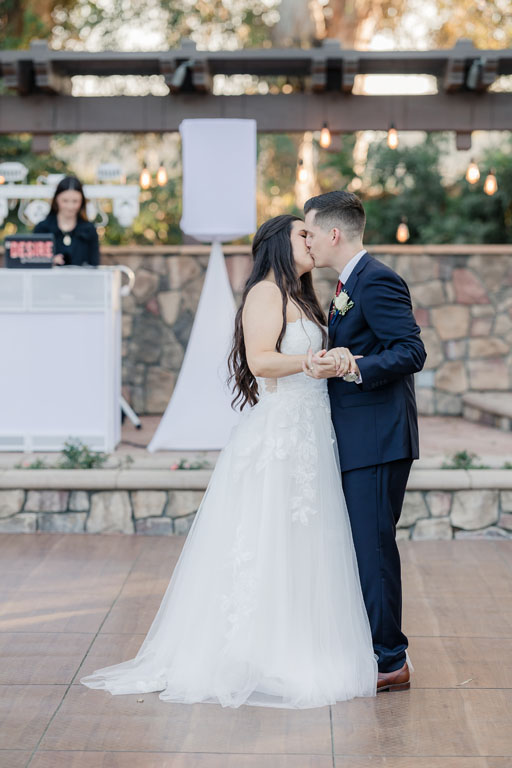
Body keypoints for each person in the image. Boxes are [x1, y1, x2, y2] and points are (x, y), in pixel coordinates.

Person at [81, 214, 378, 708]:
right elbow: (260, 360)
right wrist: (312, 362)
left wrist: (332, 359)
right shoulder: (265, 292)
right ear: (279, 244)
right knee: (267, 538)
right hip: (279, 435)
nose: (310, 241)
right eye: (301, 234)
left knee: (305, 540)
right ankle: (252, 652)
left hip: (309, 434)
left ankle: (299, 642)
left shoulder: (303, 297)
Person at [303, 190, 426, 693]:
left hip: (378, 439)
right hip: (362, 437)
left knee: (373, 550)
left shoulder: (376, 279)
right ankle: (376, 648)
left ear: (334, 233)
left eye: (310, 232)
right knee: (364, 547)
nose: (307, 242)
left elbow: (411, 351)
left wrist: (354, 367)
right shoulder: (348, 282)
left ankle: (389, 659)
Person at [34, 175, 99, 267]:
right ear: (56, 200)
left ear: (82, 202)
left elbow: (94, 265)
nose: (70, 206)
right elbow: (34, 263)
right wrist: (49, 262)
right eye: (65, 201)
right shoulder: (42, 229)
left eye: (75, 201)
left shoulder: (89, 230)